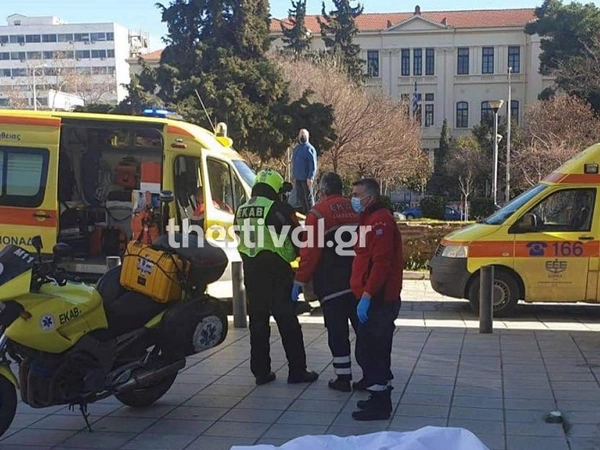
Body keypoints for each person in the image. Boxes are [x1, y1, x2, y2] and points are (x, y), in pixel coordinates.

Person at [235, 169, 319, 385]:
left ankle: (261, 372)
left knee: (258, 323)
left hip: (251, 272)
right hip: (277, 273)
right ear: (275, 189)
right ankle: (297, 371)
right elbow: (299, 238)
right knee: (288, 322)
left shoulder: (241, 209)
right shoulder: (280, 209)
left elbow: (238, 233)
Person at [291, 172, 361, 392]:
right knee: (363, 330)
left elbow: (310, 252)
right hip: (358, 281)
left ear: (322, 191)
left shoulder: (318, 213)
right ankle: (371, 374)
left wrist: (300, 281)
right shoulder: (356, 209)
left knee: (337, 332)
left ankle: (343, 377)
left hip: (332, 284)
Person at [349, 178, 402, 421]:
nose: (353, 198)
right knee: (372, 348)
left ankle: (381, 404)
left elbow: (381, 263)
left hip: (379, 298)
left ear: (369, 197)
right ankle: (377, 394)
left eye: (356, 194)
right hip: (371, 296)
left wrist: (368, 295)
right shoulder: (368, 219)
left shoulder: (380, 222)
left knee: (371, 350)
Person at [291, 129, 318, 214]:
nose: (302, 136)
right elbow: (294, 163)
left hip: (306, 178)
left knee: (308, 197)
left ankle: (312, 214)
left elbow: (313, 164)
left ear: (308, 136)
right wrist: (294, 176)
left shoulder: (310, 149)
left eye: (304, 134)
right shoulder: (296, 149)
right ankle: (304, 214)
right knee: (300, 197)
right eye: (301, 134)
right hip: (298, 178)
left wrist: (310, 177)